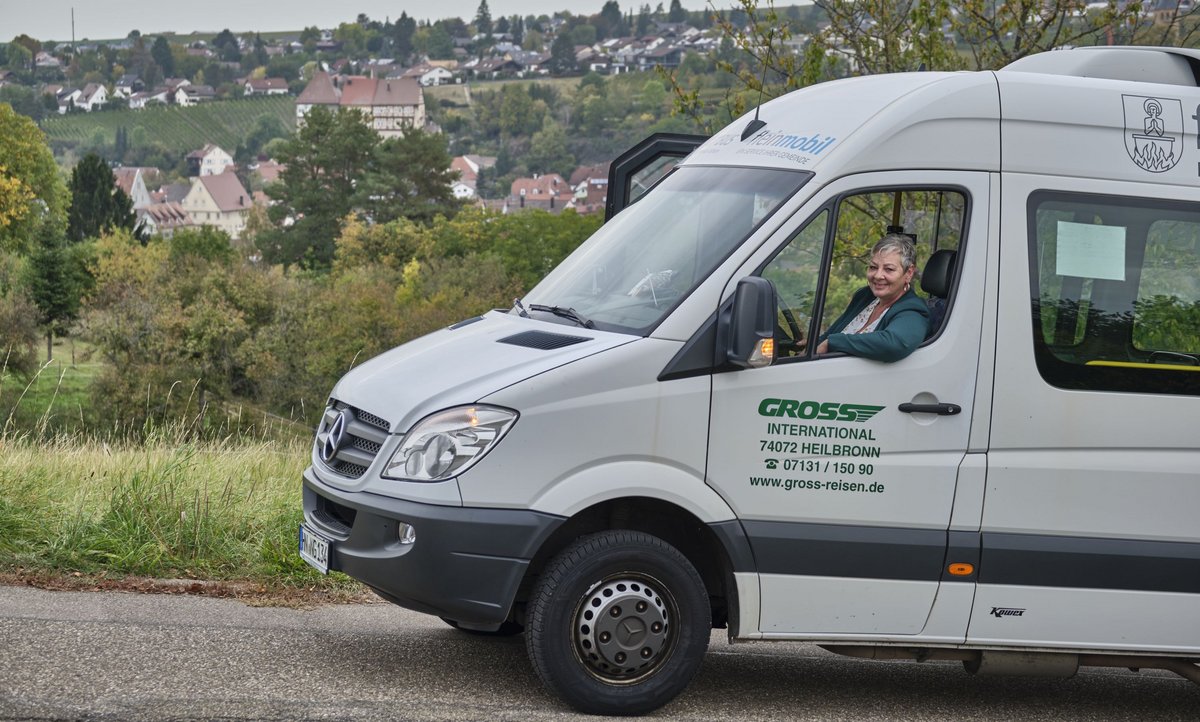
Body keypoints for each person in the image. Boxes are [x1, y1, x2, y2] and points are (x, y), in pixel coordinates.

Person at [815, 234, 930, 362]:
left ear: (908, 273)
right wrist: (811, 346)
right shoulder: (865, 296)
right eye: (873, 267)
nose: (878, 275)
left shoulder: (913, 311)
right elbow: (830, 334)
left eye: (889, 269)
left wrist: (832, 342)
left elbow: (894, 344)